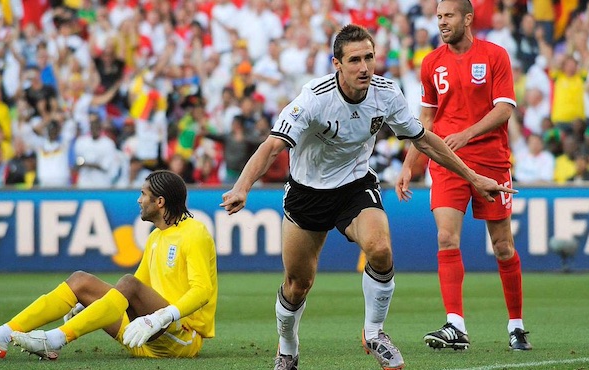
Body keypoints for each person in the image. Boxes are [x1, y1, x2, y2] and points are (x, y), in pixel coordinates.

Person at [220, 24, 515, 370]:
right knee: (298, 284)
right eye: (355, 60)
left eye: (369, 57)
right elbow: (272, 146)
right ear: (337, 64)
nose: (364, 67)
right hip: (307, 193)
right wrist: (242, 186)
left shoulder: (386, 93)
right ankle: (287, 348)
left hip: (355, 187)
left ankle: (374, 333)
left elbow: (423, 139)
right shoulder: (314, 99)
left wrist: (472, 176)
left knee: (381, 249)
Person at [0, 170, 218, 360]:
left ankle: (55, 338)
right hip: (144, 336)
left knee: (127, 283)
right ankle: (0, 335)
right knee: (81, 280)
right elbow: (136, 291)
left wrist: (162, 316)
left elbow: (202, 290)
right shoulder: (156, 237)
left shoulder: (194, 232)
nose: (139, 199)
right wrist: (91, 304)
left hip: (182, 337)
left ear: (160, 202)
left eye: (143, 194)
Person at [396, 0, 532, 352]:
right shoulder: (430, 64)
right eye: (438, 16)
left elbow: (504, 109)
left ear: (467, 18)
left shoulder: (494, 55)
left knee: (502, 247)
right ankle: (455, 324)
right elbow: (424, 124)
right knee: (445, 237)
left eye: (448, 16)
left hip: (490, 160)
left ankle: (516, 325)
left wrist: (467, 134)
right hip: (446, 162)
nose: (441, 22)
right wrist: (410, 165)